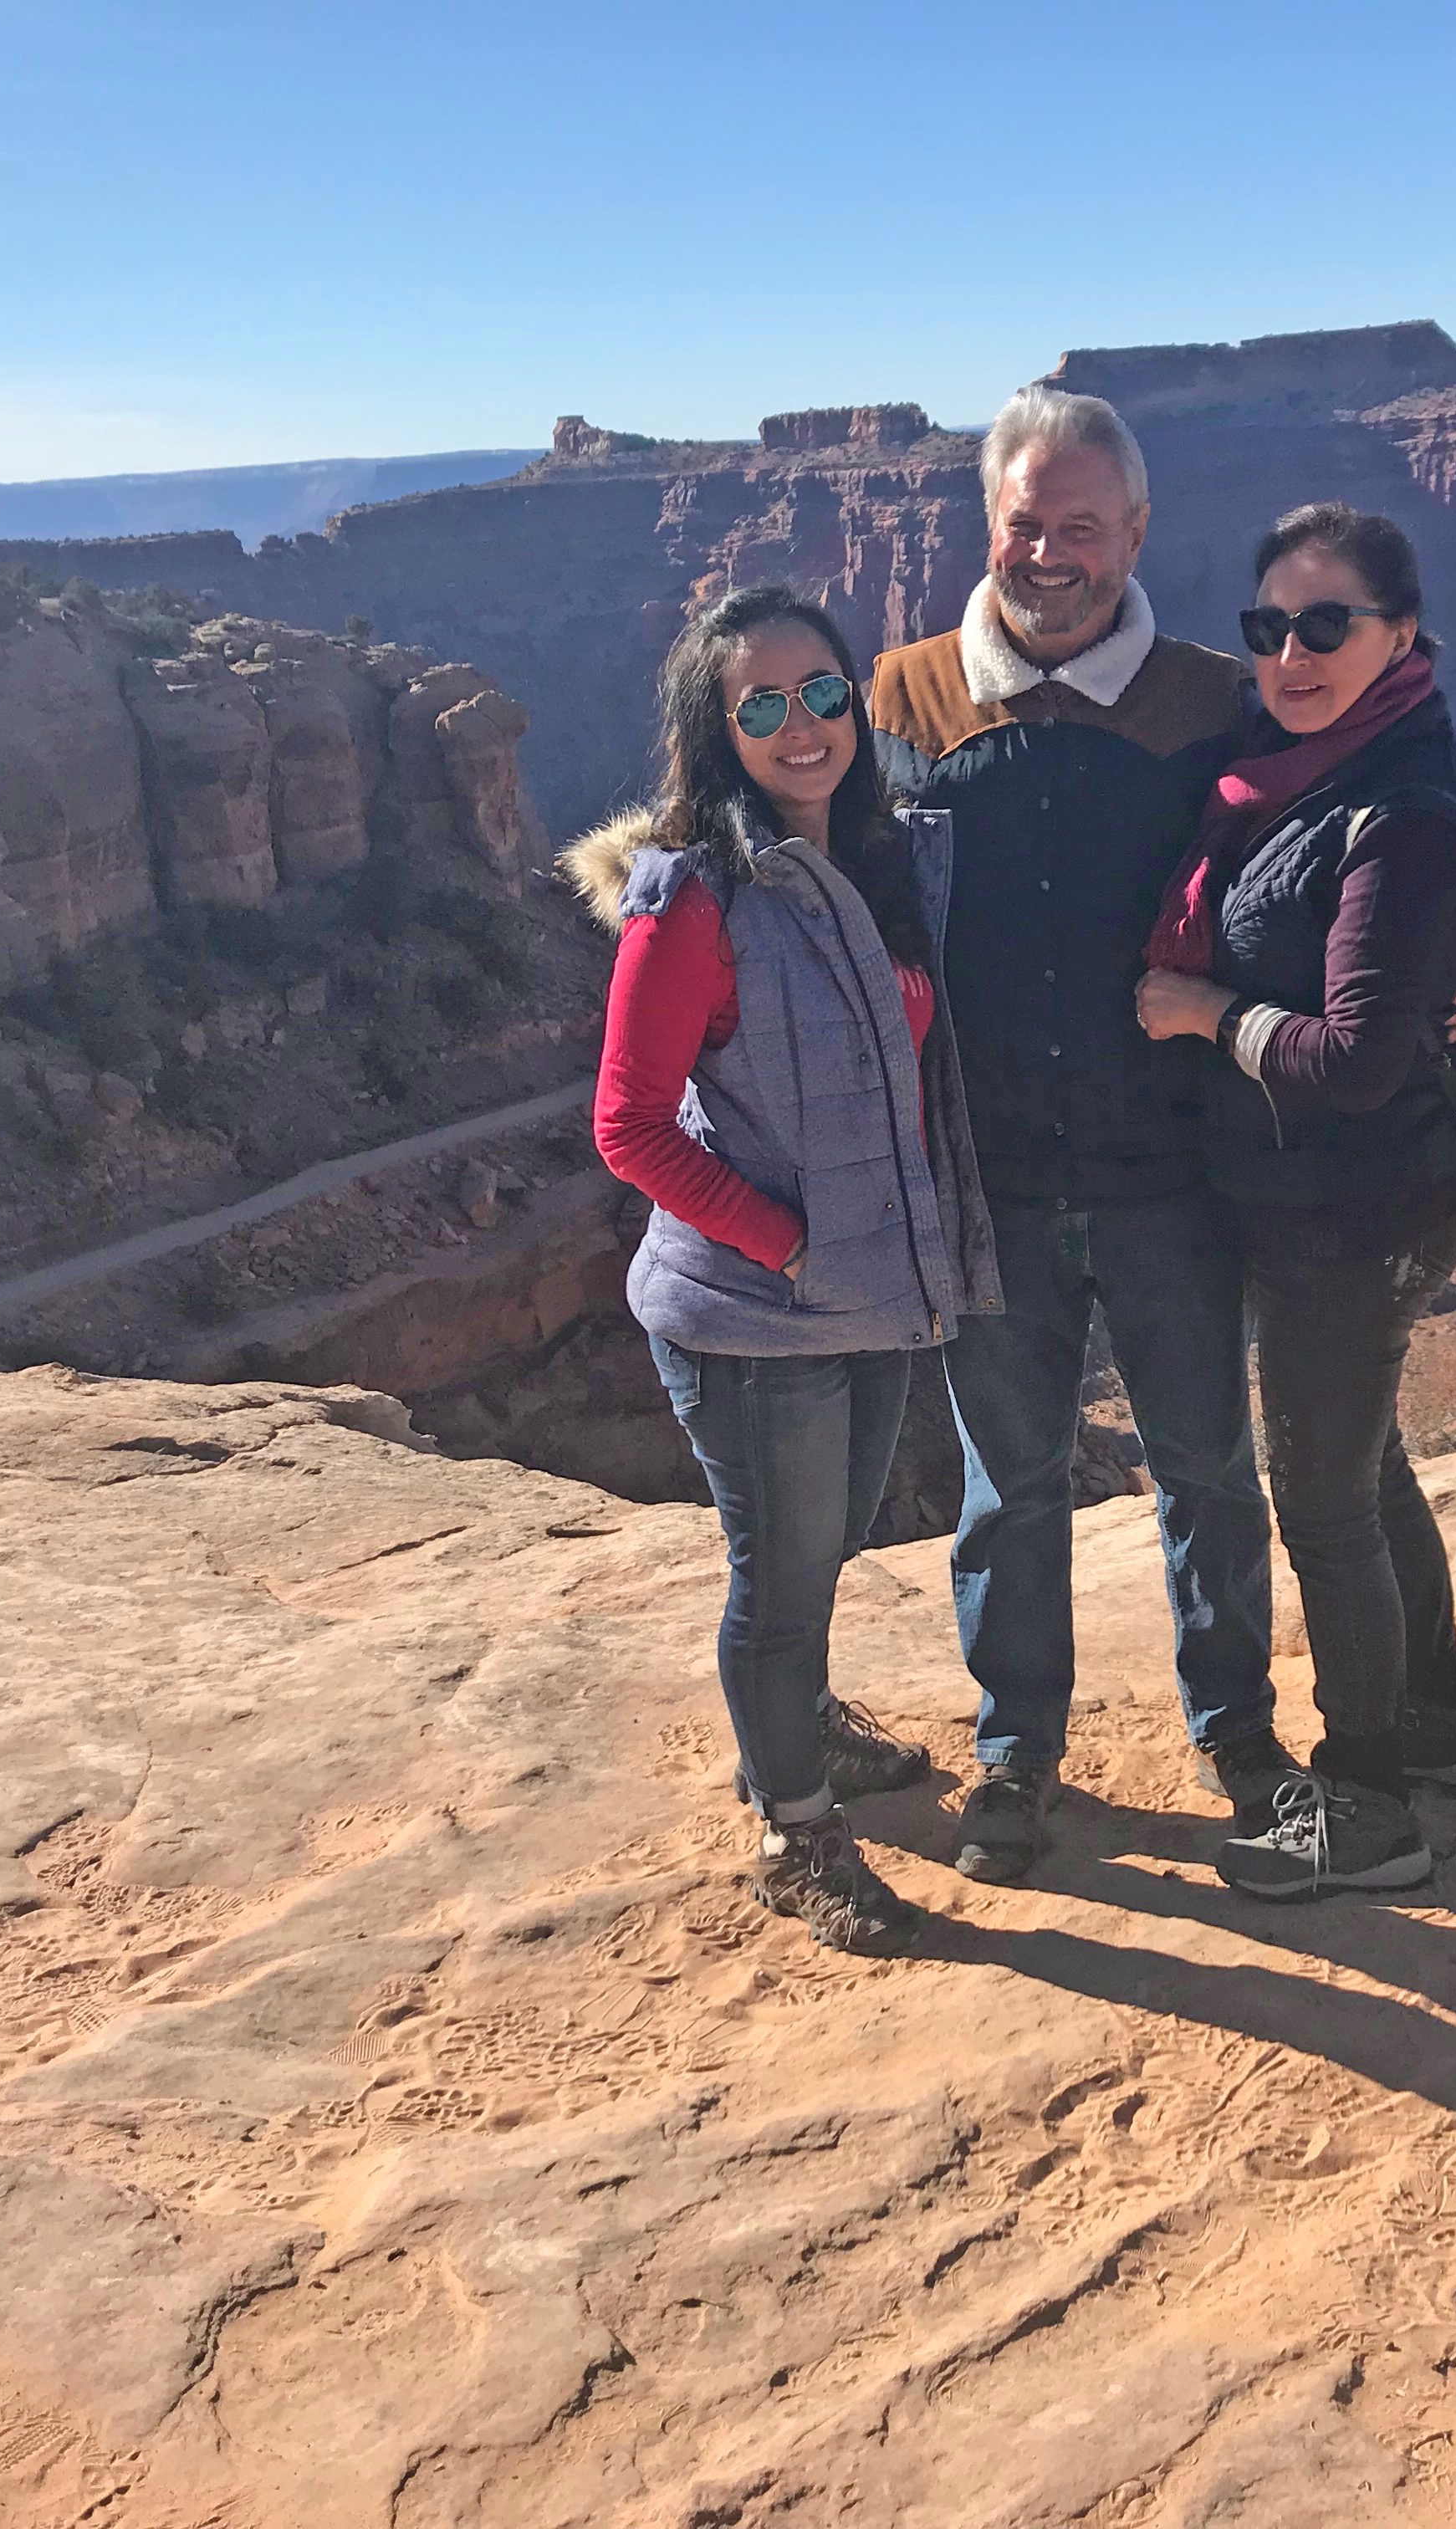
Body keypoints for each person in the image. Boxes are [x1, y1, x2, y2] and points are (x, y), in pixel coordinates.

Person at [868, 386, 1294, 1883]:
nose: (1052, 553)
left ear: (1138, 530)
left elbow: (1310, 881)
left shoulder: (1206, 702)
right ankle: (1015, 1755)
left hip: (1169, 1171)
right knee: (1012, 1482)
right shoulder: (902, 696)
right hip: (984, 1176)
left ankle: (1240, 1739)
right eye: (1025, 522)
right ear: (989, 521)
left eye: (1084, 526)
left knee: (1205, 1468)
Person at [567, 585, 1002, 1955]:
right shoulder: (690, 898)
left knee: (826, 1548)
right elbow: (626, 1126)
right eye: (762, 705)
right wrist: (794, 1244)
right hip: (755, 1313)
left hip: (871, 1293)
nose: (802, 725)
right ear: (720, 728)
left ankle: (800, 1735)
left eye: (822, 692)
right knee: (778, 1571)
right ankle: (794, 1835)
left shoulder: (880, 862)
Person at [1137, 503, 1456, 1901]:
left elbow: (1352, 1061)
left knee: (1324, 1505)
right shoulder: (1298, 767)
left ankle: (1366, 1805)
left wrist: (1203, 1013)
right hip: (1343, 1205)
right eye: (1269, 627)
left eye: (1325, 625)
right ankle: (1445, 1726)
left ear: (1398, 635)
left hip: (1349, 1214)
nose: (1289, 652)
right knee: (1371, 1467)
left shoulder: (1393, 807)